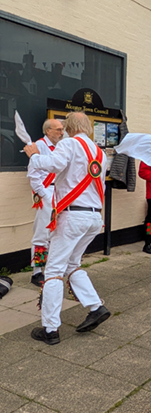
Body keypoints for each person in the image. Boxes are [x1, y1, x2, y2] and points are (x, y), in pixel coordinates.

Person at [23, 112, 111, 345]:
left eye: (64, 129)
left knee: (53, 271)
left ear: (70, 129)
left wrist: (34, 156)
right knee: (72, 264)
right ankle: (96, 307)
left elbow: (53, 164)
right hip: (93, 217)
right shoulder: (99, 152)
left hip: (73, 216)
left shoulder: (70, 144)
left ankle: (50, 329)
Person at [27, 119, 65, 287]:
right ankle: (37, 272)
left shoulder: (62, 147)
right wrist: (43, 194)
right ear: (48, 131)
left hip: (60, 193)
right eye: (58, 130)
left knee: (57, 232)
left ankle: (51, 267)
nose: (62, 132)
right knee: (42, 234)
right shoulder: (39, 146)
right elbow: (33, 175)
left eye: (62, 129)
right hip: (47, 193)